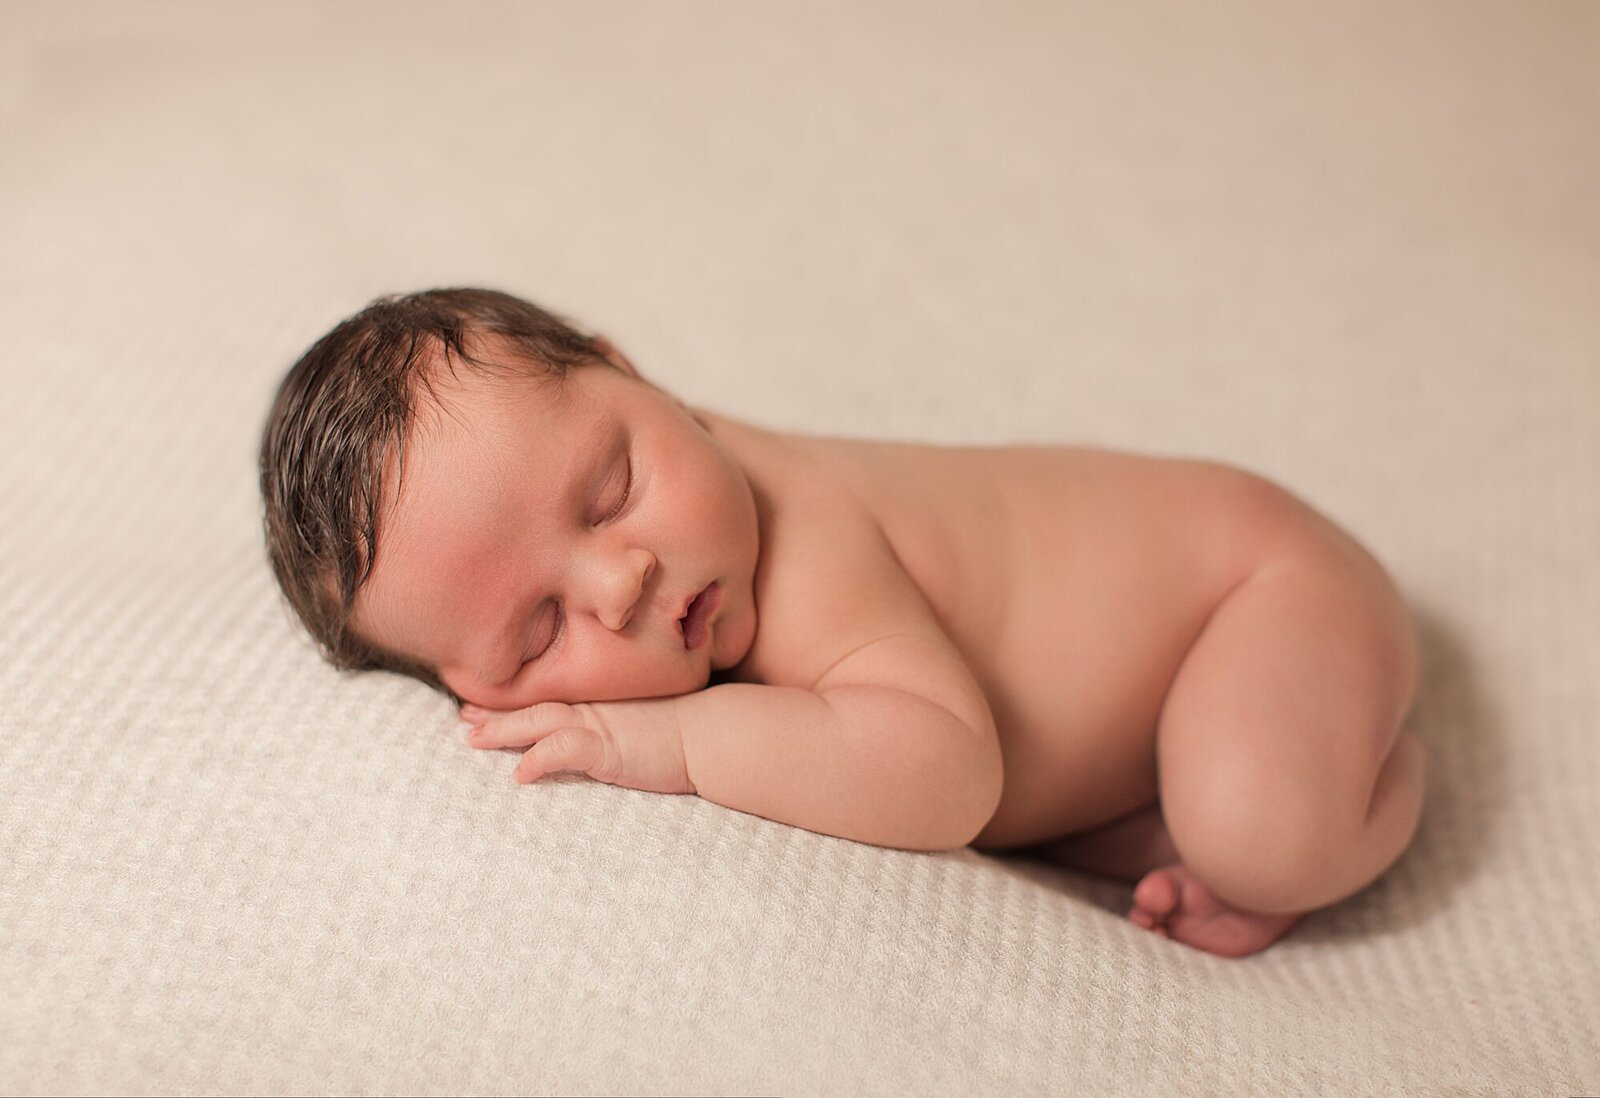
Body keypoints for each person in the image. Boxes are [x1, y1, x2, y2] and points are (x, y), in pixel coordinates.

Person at [260, 287, 1425, 957]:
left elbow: (947, 773)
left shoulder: (800, 537)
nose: (622, 581)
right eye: (538, 632)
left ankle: (1389, 777)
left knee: (1259, 839)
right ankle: (1173, 793)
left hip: (1258, 587)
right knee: (1165, 812)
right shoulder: (665, 521)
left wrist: (667, 746)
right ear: (481, 698)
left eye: (612, 490)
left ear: (636, 376)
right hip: (1159, 691)